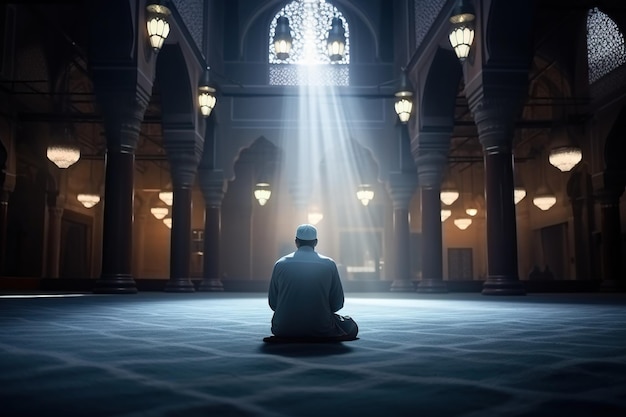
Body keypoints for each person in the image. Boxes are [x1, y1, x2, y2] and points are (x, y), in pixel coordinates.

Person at [268, 224, 358, 341]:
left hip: (283, 329)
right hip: (321, 327)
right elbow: (337, 303)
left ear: (296, 242)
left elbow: (273, 303)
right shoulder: (329, 264)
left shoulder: (280, 264)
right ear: (315, 242)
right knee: (350, 326)